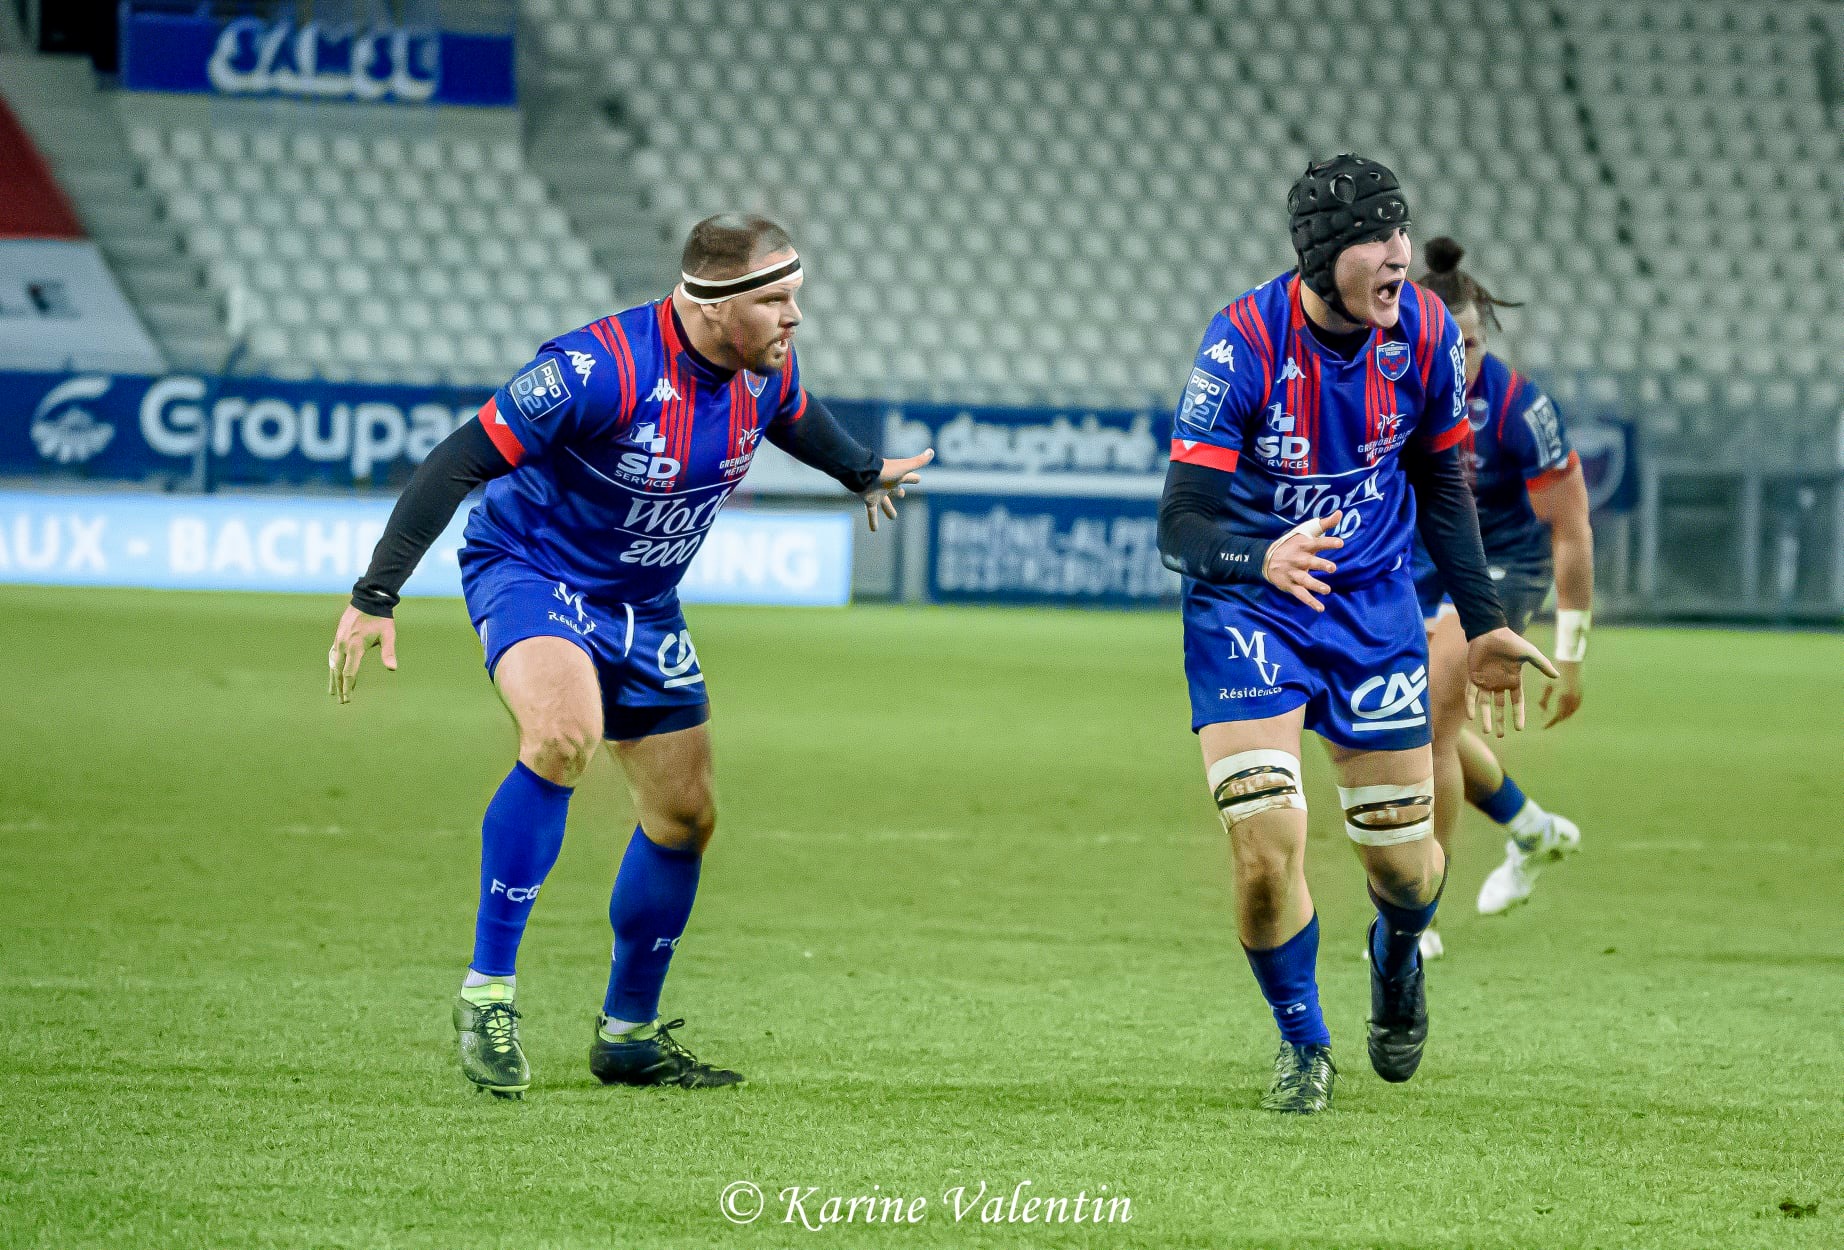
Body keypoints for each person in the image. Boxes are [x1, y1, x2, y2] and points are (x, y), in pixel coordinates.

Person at [326, 214, 933, 1098]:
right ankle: (488, 993)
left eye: (795, 295)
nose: (794, 316)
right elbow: (458, 460)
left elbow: (793, 416)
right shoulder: (596, 369)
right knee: (563, 738)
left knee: (684, 818)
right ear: (712, 304)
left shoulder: (763, 368)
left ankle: (629, 1035)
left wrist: (862, 470)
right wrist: (375, 594)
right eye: (775, 299)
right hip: (534, 572)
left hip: (644, 605)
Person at [1157, 156, 1556, 1114]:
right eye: (1379, 241)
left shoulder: (1422, 330)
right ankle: (1304, 1044)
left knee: (1407, 869)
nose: (1399, 257)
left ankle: (1397, 956)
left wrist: (1487, 623)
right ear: (1326, 254)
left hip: (1373, 613)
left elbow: (1444, 486)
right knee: (1265, 847)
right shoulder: (1243, 342)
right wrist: (1262, 561)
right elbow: (1183, 522)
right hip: (1250, 610)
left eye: (1402, 235)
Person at [1412, 237, 1593, 932]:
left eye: (1476, 342)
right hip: (1419, 564)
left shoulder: (1520, 409)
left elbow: (1572, 530)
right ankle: (1530, 829)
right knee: (1401, 722)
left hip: (1500, 569)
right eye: (1454, 343)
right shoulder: (1388, 392)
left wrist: (1571, 654)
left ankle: (1414, 922)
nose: (1468, 357)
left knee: (1429, 722)